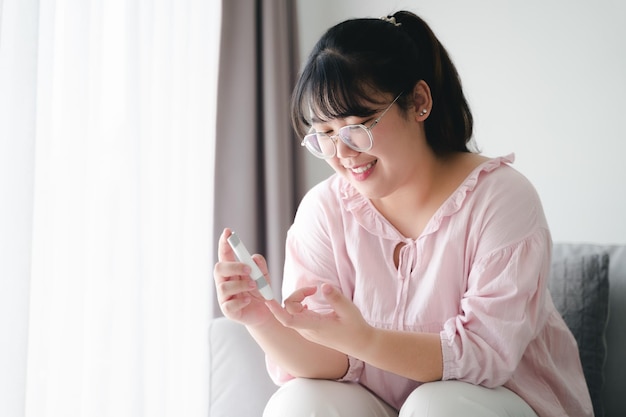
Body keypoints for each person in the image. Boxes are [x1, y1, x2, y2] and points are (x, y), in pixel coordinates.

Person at [213, 10, 593, 417]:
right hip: (385, 406)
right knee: (300, 402)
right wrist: (260, 319)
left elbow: (484, 355)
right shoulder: (324, 211)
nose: (341, 154)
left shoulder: (502, 199)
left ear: (419, 103)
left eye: (357, 125)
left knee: (437, 406)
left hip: (497, 402)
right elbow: (329, 361)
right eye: (324, 135)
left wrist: (366, 340)